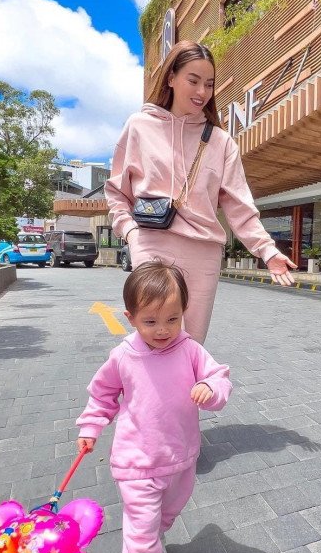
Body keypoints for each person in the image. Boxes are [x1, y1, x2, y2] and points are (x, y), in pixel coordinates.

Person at [75, 262, 232, 553]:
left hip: (180, 458)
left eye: (172, 319)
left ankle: (151, 548)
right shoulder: (123, 356)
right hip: (137, 462)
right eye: (150, 321)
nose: (162, 330)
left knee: (166, 516)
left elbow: (221, 379)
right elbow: (102, 395)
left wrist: (209, 389)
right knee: (142, 526)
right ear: (129, 318)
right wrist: (90, 427)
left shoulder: (191, 350)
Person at [105, 40, 296, 343]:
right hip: (151, 243)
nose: (201, 92)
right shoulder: (139, 126)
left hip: (202, 251)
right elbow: (117, 191)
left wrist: (267, 251)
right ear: (171, 78)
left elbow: (239, 206)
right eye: (193, 81)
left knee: (190, 343)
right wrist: (130, 232)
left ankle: (186, 391)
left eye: (208, 84)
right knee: (154, 336)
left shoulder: (221, 142)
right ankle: (143, 392)